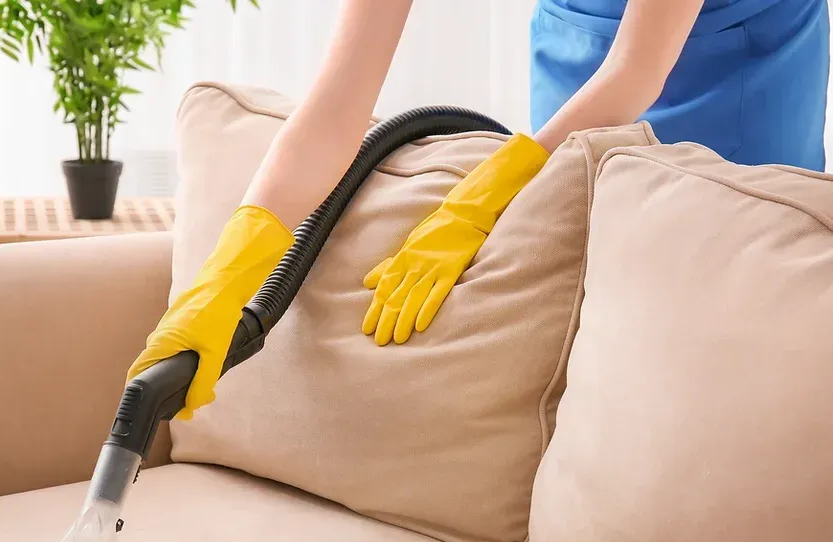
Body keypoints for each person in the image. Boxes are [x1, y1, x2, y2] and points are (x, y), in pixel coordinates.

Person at [126, 0, 830, 419]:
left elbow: (636, 70)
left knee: (702, 366)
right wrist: (225, 277)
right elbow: (337, 101)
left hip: (731, 116)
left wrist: (480, 199)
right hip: (571, 100)